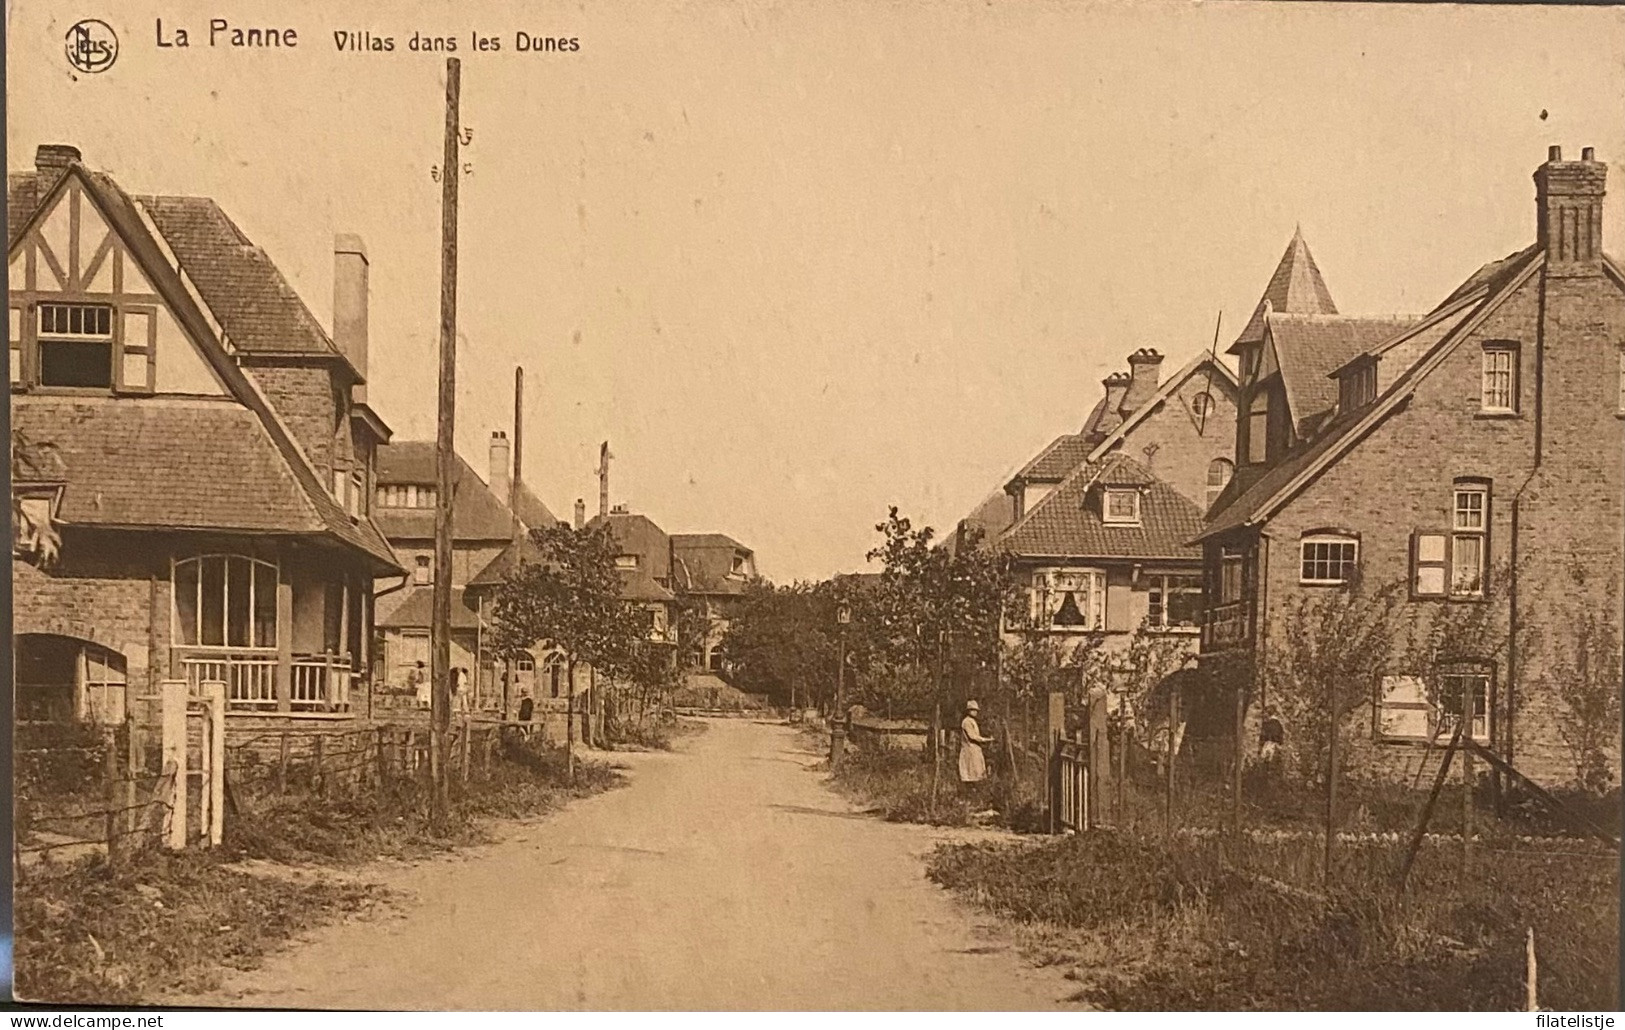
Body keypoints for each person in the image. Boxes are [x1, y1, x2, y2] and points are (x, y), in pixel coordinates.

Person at [958, 700, 995, 791]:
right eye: (973, 710)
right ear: (968, 711)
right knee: (970, 771)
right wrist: (986, 740)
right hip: (970, 748)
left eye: (976, 710)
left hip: (975, 749)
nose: (975, 712)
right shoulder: (966, 722)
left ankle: (975, 790)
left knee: (977, 771)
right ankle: (970, 791)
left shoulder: (972, 721)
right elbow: (972, 736)